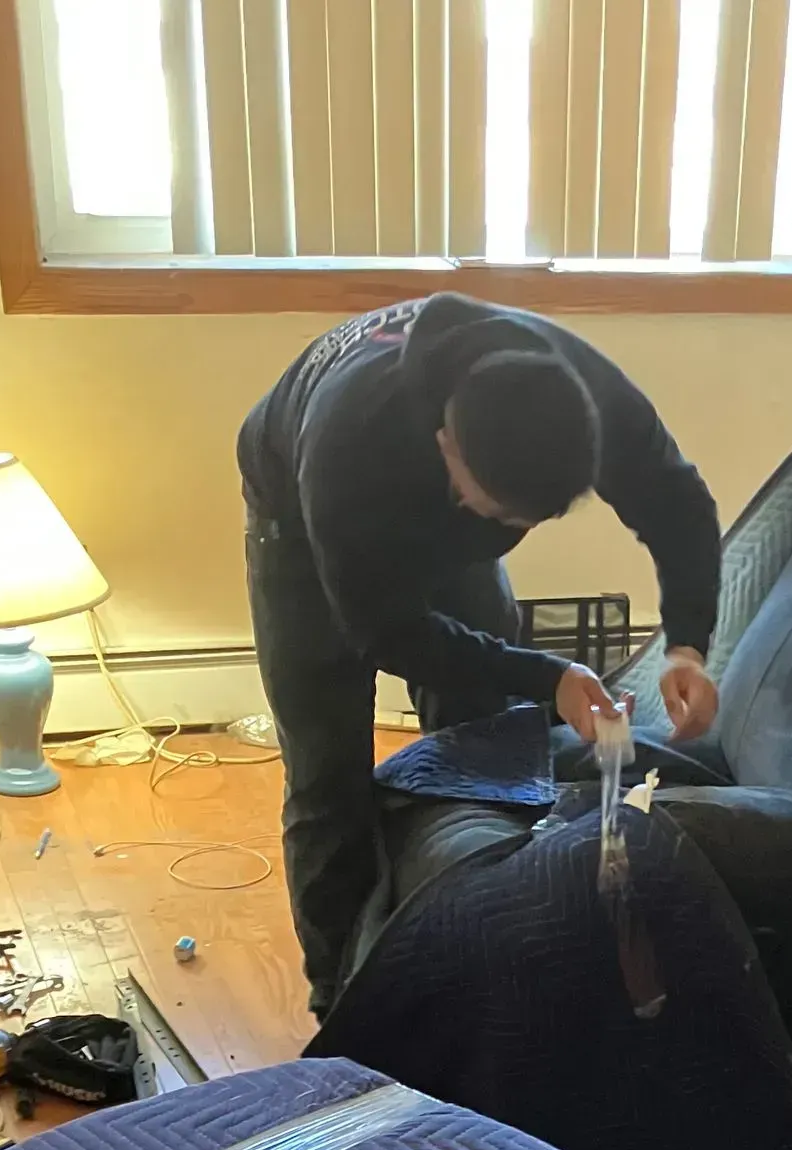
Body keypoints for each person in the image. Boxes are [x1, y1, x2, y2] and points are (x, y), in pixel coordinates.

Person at [239, 294, 723, 1015]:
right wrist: (549, 672)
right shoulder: (352, 447)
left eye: (536, 519)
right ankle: (341, 1006)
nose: (514, 531)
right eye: (502, 516)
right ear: (447, 447)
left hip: (423, 496)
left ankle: (464, 949)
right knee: (327, 775)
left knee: (482, 734)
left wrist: (686, 643)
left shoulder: (587, 401)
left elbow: (677, 501)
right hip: (299, 520)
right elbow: (388, 633)